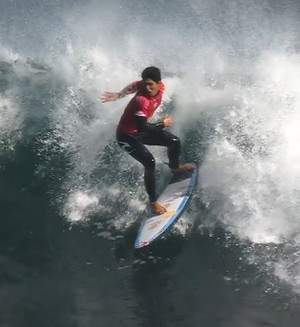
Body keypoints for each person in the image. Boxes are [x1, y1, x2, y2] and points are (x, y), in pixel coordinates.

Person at [101, 66, 194, 214]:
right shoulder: (141, 101)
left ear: (159, 83)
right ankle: (152, 203)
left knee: (174, 142)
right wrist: (162, 124)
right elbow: (143, 128)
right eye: (145, 84)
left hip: (139, 132)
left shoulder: (160, 87)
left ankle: (175, 168)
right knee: (150, 162)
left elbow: (135, 85)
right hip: (126, 136)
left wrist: (120, 94)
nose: (147, 87)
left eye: (151, 84)